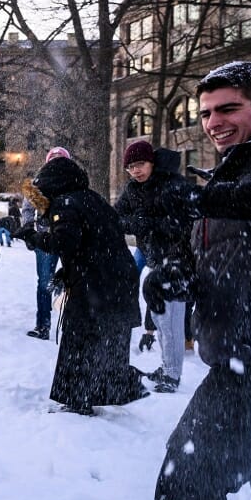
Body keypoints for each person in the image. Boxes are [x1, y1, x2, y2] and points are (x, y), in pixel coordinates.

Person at [152, 61, 251, 500]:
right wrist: (177, 275)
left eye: (228, 109)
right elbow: (223, 253)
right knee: (184, 489)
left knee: (185, 488)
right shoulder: (226, 173)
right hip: (238, 367)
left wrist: (201, 198)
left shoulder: (239, 179)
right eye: (206, 113)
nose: (214, 122)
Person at [13, 155, 149, 415]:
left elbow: (64, 242)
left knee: (79, 339)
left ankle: (79, 399)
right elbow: (94, 243)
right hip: (116, 281)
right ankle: (115, 386)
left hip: (96, 286)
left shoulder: (65, 203)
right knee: (108, 339)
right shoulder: (92, 198)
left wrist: (32, 237)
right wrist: (69, 271)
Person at [113, 140, 194, 394]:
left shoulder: (172, 185)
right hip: (155, 259)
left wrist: (148, 223)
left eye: (140, 165)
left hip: (177, 261)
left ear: (152, 163)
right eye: (130, 167)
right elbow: (117, 217)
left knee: (171, 320)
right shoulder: (132, 190)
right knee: (160, 319)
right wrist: (136, 224)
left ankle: (172, 374)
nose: (136, 171)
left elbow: (183, 225)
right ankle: (167, 365)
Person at [21, 146, 68, 340]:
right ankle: (43, 325)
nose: (56, 161)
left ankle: (72, 321)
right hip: (45, 237)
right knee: (44, 282)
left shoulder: (73, 181)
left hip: (68, 237)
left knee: (75, 280)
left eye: (60, 158)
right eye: (53, 158)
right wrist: (28, 232)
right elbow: (27, 209)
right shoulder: (38, 183)